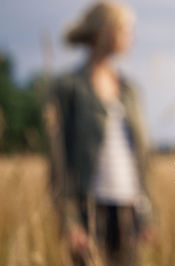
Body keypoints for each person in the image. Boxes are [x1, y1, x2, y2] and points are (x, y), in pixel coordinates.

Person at [44, 2, 152, 265]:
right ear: (104, 32)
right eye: (125, 29)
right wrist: (69, 221)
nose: (131, 37)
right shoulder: (68, 88)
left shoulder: (130, 90)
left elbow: (142, 158)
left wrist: (149, 215)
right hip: (89, 208)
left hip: (129, 208)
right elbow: (58, 161)